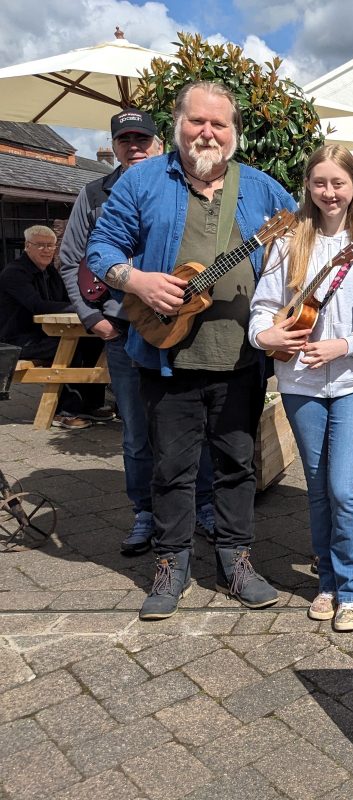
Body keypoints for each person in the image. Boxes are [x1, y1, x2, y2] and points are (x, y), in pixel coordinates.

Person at [88, 81, 298, 620]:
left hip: (239, 359)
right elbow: (100, 249)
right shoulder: (142, 180)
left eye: (218, 124)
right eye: (197, 121)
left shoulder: (263, 190)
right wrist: (137, 280)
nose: (207, 132)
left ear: (234, 132)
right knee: (171, 469)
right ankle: (171, 564)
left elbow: (303, 247)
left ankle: (236, 560)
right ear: (177, 125)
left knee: (237, 466)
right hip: (165, 356)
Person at [58, 108, 217, 556]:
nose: (135, 148)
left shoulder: (182, 186)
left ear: (159, 142)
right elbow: (71, 260)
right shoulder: (94, 194)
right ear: (114, 146)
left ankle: (203, 505)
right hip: (124, 331)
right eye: (125, 140)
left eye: (142, 139)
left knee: (197, 424)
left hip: (181, 326)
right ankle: (145, 511)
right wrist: (92, 318)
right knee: (136, 429)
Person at [250, 144, 353, 632]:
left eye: (338, 183)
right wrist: (264, 336)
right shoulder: (288, 244)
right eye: (320, 182)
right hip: (299, 383)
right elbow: (263, 309)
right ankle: (326, 581)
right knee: (317, 487)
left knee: (344, 487)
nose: (329, 192)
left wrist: (342, 346)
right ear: (308, 185)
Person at [0, 225, 110, 429]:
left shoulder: (50, 272)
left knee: (94, 342)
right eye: (40, 245)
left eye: (51, 245)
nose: (47, 250)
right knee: (71, 347)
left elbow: (65, 299)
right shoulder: (14, 273)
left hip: (42, 335)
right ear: (27, 246)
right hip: (17, 341)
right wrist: (78, 308)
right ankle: (64, 412)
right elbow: (37, 305)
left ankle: (91, 405)